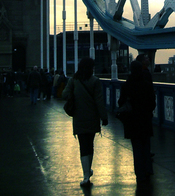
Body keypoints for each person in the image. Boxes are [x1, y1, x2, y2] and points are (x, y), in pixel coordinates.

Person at [62, 57, 108, 186]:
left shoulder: (73, 80)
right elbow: (99, 101)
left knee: (83, 146)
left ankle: (86, 175)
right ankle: (88, 171)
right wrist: (104, 117)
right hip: (92, 118)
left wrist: (74, 97)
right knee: (90, 145)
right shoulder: (95, 81)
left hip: (79, 118)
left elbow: (64, 94)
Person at [118, 60, 156, 185]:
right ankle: (148, 170)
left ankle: (139, 174)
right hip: (145, 120)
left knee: (137, 148)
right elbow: (152, 103)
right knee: (146, 146)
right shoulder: (147, 85)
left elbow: (121, 103)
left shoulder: (126, 86)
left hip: (132, 121)